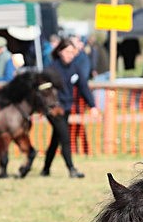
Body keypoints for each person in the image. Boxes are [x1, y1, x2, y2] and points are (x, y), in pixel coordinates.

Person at [40, 38, 99, 178]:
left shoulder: (75, 68)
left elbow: (83, 87)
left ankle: (45, 169)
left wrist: (93, 106)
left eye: (73, 53)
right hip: (54, 110)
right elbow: (43, 91)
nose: (70, 55)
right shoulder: (51, 69)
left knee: (56, 138)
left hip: (66, 108)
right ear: (60, 51)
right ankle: (71, 169)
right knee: (65, 137)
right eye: (67, 52)